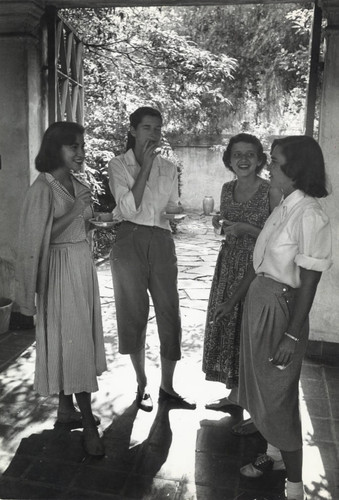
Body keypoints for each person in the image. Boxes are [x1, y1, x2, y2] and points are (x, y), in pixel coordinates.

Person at [214, 136, 332, 500]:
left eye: (277, 162)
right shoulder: (284, 206)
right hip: (259, 302)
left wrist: (293, 336)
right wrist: (233, 300)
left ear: (295, 170)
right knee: (265, 392)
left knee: (277, 397)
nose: (270, 167)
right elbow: (261, 264)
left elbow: (309, 283)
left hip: (280, 311)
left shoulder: (310, 215)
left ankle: (294, 487)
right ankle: (274, 455)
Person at [15, 122, 107, 456]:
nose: (81, 153)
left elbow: (76, 221)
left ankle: (66, 410)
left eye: (82, 146)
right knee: (76, 340)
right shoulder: (42, 188)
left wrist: (88, 217)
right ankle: (90, 425)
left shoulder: (75, 182)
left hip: (80, 265)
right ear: (57, 149)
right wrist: (77, 209)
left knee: (73, 337)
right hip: (59, 269)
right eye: (74, 147)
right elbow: (39, 236)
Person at [108, 106, 195, 412]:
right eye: (147, 128)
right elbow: (129, 210)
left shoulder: (169, 167)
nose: (154, 134)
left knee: (170, 312)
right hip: (129, 239)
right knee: (133, 314)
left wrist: (181, 212)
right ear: (132, 131)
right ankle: (141, 384)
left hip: (160, 239)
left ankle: (167, 387)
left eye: (158, 129)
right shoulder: (118, 165)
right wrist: (144, 166)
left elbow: (170, 207)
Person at [203, 133, 281, 434]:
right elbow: (227, 221)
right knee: (230, 330)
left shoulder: (270, 191)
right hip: (229, 265)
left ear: (261, 159)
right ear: (229, 159)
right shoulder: (226, 188)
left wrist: (246, 228)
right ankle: (236, 396)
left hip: (257, 269)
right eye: (237, 154)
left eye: (250, 154)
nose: (244, 159)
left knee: (252, 338)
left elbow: (276, 238)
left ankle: (256, 412)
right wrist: (221, 224)